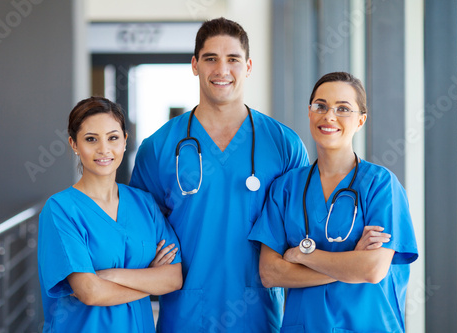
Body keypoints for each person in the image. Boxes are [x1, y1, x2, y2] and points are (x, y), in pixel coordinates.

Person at [130, 18, 308, 332]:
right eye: (211, 58)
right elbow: (138, 231)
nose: (221, 70)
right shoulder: (158, 147)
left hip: (259, 314)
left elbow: (303, 227)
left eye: (233, 60)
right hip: (185, 314)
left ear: (249, 66)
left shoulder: (283, 145)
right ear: (195, 64)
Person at [248, 72, 419, 333]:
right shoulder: (286, 188)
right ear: (309, 113)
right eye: (321, 106)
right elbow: (271, 273)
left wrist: (303, 254)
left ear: (361, 120)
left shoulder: (381, 185)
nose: (329, 116)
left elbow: (373, 269)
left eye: (343, 109)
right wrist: (351, 265)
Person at [38, 97, 182, 332]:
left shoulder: (144, 203)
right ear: (74, 144)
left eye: (113, 137)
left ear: (125, 141)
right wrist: (150, 280)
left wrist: (110, 275)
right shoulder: (60, 210)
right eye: (91, 139)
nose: (103, 149)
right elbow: (90, 292)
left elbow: (173, 278)